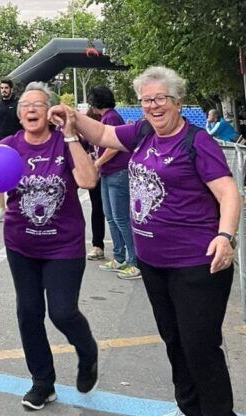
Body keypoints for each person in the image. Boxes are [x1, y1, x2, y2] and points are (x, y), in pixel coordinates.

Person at [49, 66, 240, 416]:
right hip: (154, 263)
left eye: (160, 99)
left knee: (200, 346)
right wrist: (71, 116)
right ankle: (189, 407)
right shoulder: (142, 132)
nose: (153, 106)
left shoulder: (197, 141)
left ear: (178, 102)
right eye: (146, 100)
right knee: (174, 342)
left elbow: (228, 192)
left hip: (197, 264)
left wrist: (225, 236)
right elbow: (104, 133)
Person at [0, 82, 99, 411]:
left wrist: (70, 134)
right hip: (20, 244)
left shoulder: (65, 143)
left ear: (50, 111)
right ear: (18, 113)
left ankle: (88, 354)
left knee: (63, 311)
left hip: (63, 245)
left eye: (38, 104)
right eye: (25, 105)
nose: (31, 109)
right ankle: (43, 383)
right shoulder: (9, 147)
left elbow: (88, 180)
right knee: (28, 313)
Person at [87, 86, 140, 279]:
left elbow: (114, 146)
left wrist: (98, 163)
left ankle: (134, 261)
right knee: (110, 216)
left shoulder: (111, 118)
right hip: (108, 173)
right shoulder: (106, 118)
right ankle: (119, 257)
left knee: (121, 218)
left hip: (117, 172)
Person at [0, 78, 22, 223]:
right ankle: (2, 208)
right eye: (1, 88)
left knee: (17, 177)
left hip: (16, 145)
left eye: (6, 88)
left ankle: (17, 207)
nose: (3, 90)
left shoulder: (18, 105)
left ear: (11, 89)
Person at [83, 108, 106, 262]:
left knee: (115, 216)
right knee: (97, 209)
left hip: (110, 173)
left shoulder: (109, 126)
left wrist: (98, 163)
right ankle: (97, 245)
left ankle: (127, 252)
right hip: (96, 175)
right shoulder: (87, 136)